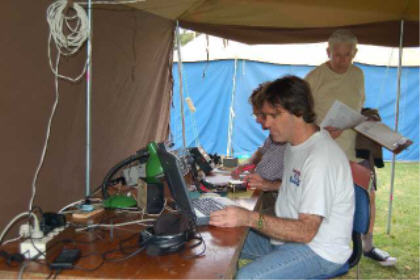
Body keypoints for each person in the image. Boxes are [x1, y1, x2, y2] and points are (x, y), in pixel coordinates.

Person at [210, 76, 355, 279]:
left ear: (298, 112)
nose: (265, 124)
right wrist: (270, 185)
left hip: (319, 249)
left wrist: (248, 217)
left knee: (248, 277)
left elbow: (307, 231)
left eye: (274, 115)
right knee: (221, 238)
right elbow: (299, 184)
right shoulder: (293, 145)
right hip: (287, 237)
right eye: (265, 115)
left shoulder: (320, 157)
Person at [305, 29, 396, 266]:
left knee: (368, 194)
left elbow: (358, 105)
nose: (343, 60)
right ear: (328, 52)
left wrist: (366, 123)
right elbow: (301, 113)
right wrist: (318, 130)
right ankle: (326, 245)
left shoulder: (358, 74)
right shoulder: (314, 77)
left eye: (348, 55)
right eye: (338, 55)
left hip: (354, 147)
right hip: (325, 147)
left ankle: (368, 245)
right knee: (329, 198)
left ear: (355, 53)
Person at [231, 82, 285, 192]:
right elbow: (261, 151)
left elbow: (301, 187)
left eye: (261, 115)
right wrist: (248, 162)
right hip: (261, 191)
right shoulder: (275, 134)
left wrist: (268, 185)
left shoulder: (300, 144)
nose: (257, 120)